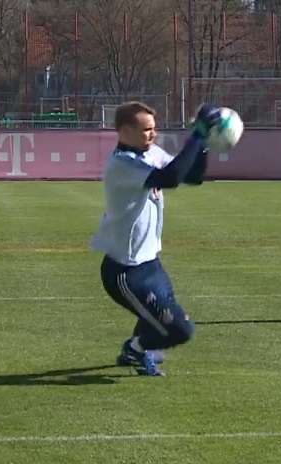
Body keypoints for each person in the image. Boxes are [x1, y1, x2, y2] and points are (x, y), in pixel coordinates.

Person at [89, 101, 221, 376]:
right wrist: (196, 134)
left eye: (153, 128)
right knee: (180, 330)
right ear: (124, 131)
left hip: (150, 263)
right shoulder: (121, 163)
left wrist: (204, 142)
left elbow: (193, 176)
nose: (153, 134)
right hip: (125, 271)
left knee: (160, 320)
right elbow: (171, 178)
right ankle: (135, 349)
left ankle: (139, 348)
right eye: (146, 129)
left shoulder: (149, 153)